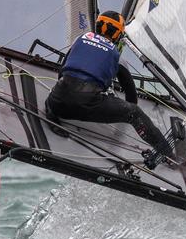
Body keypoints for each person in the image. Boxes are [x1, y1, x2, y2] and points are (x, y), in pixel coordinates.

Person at [45, 10, 174, 169]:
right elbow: (131, 98)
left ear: (98, 26)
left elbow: (61, 73)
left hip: (57, 102)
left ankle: (50, 114)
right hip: (85, 105)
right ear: (118, 35)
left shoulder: (81, 40)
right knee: (134, 112)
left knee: (59, 91)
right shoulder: (116, 56)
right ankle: (168, 154)